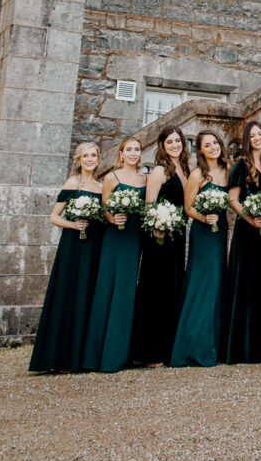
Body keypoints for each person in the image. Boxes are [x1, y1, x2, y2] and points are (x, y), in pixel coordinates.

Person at [29, 142, 105, 373]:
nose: (90, 159)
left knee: (87, 293)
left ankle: (80, 355)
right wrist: (73, 224)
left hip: (94, 244)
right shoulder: (73, 183)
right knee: (68, 293)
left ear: (98, 159)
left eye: (93, 155)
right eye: (86, 156)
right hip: (73, 245)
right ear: (78, 160)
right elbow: (54, 217)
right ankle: (57, 356)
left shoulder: (101, 186)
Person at [82, 136, 147, 373]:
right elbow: (103, 208)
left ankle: (120, 353)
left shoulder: (145, 179)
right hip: (114, 237)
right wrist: (112, 217)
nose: (133, 153)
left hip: (134, 238)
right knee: (107, 288)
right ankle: (97, 354)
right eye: (128, 149)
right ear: (121, 153)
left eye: (136, 150)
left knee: (126, 291)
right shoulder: (111, 177)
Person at [169, 129, 231, 368]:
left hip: (220, 229)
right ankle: (192, 346)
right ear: (201, 150)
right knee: (201, 282)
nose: (213, 147)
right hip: (203, 232)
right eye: (208, 144)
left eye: (215, 142)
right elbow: (188, 208)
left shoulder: (227, 169)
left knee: (217, 283)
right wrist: (204, 218)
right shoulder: (197, 174)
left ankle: (214, 344)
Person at [131, 125, 189, 367]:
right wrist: (157, 225)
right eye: (170, 142)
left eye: (178, 141)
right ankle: (149, 352)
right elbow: (149, 206)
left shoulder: (186, 169)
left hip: (177, 236)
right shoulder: (159, 171)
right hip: (158, 237)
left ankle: (167, 349)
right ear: (163, 146)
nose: (175, 145)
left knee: (173, 288)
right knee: (156, 288)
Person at [223, 119, 261, 364]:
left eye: (260, 134)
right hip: (247, 229)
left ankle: (258, 346)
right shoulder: (240, 166)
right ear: (247, 140)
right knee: (245, 281)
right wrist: (250, 218)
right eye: (252, 135)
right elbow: (233, 199)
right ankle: (239, 346)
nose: (257, 138)